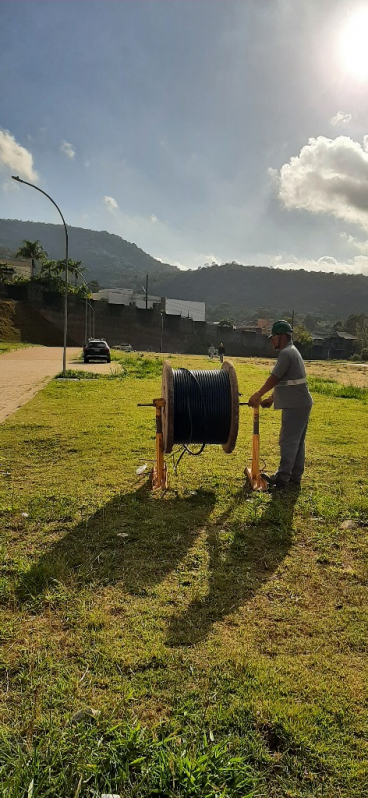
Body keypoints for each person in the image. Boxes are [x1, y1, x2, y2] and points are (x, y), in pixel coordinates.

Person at [248, 320, 313, 490]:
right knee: (297, 442)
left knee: (288, 441)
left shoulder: (286, 353)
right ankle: (294, 478)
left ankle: (283, 480)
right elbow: (289, 382)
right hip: (300, 403)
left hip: (295, 404)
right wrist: (272, 398)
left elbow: (275, 378)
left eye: (273, 338)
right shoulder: (292, 351)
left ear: (281, 337)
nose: (272, 341)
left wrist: (258, 395)